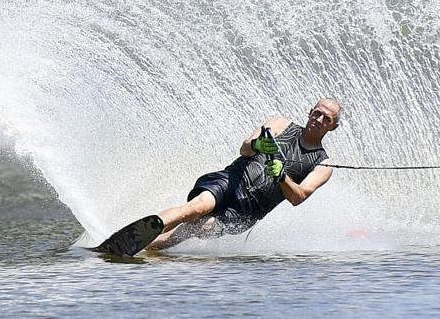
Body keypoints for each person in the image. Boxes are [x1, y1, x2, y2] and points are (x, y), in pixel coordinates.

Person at [99, 98, 341, 256]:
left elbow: (298, 197)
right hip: (233, 180)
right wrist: (259, 144)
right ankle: (146, 228)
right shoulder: (280, 124)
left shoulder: (323, 163)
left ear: (332, 127)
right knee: (196, 208)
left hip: (247, 211)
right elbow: (245, 149)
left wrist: (283, 178)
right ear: (310, 111)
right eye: (317, 113)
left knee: (197, 228)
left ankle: (136, 247)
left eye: (326, 119)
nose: (318, 120)